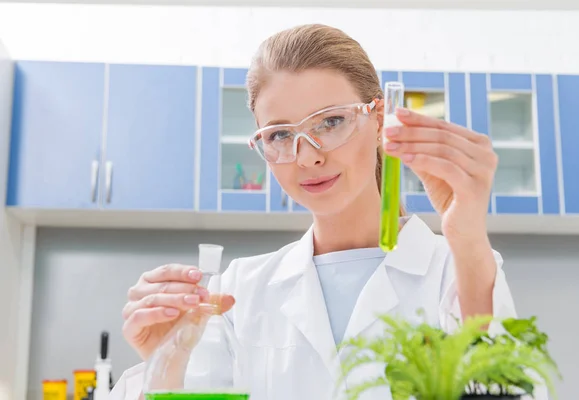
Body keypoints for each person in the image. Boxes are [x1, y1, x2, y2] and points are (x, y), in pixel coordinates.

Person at [110, 24, 540, 400]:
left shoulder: (457, 269)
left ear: (380, 120)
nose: (307, 157)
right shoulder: (239, 291)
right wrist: (166, 360)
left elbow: (505, 387)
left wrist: (467, 236)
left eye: (330, 122)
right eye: (280, 133)